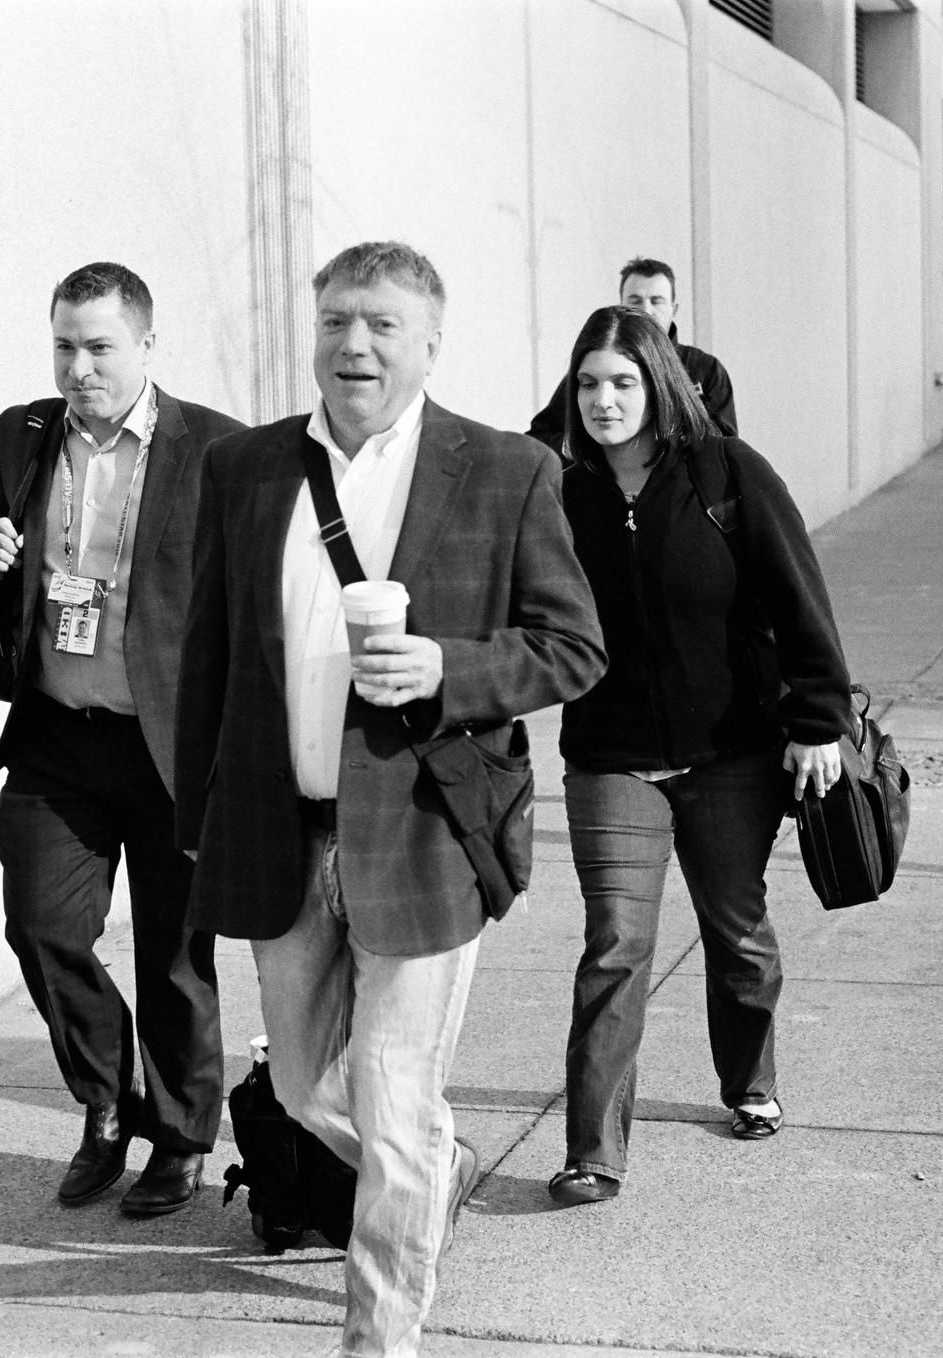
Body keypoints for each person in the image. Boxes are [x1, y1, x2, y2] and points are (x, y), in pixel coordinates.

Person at [177, 241, 606, 1356]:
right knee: (317, 1086)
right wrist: (197, 820)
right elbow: (208, 657)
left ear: (427, 340)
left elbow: (571, 647)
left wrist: (446, 671)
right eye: (333, 321)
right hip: (280, 832)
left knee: (392, 1090)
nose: (351, 344)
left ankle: (380, 1338)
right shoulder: (244, 468)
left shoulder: (505, 469)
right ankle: (436, 1172)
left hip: (420, 835)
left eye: (377, 323)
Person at [546, 306, 852, 1208]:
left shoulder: (728, 475)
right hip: (610, 756)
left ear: (660, 384)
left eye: (623, 383)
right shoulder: (559, 492)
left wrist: (819, 722)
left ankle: (750, 1079)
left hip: (731, 755)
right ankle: (593, 1151)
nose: (604, 400)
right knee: (616, 945)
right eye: (589, 383)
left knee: (737, 931)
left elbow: (803, 602)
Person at [0, 263, 243, 1215]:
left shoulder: (215, 448)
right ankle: (109, 1101)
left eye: (98, 348)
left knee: (174, 954)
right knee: (42, 928)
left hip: (169, 747)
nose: (78, 368)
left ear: (145, 345)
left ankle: (182, 1134)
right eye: (63, 347)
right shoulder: (26, 432)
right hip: (56, 734)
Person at [528, 257, 737, 451]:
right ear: (620, 306)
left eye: (656, 301)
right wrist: (584, 449)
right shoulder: (596, 368)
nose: (646, 310)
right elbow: (541, 435)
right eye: (635, 301)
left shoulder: (706, 369)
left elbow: (724, 447)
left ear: (674, 309)